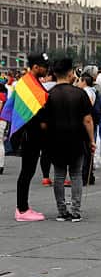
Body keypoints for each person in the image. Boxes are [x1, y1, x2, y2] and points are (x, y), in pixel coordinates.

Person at [41, 58, 94, 222]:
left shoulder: (48, 95)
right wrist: (91, 140)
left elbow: (43, 123)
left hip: (55, 140)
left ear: (55, 74)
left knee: (58, 175)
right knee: (76, 174)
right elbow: (87, 120)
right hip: (77, 139)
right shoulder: (80, 93)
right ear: (71, 73)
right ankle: (76, 211)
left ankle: (61, 211)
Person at [8, 52, 51, 221]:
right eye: (44, 67)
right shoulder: (27, 84)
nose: (47, 70)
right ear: (35, 67)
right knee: (27, 171)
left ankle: (23, 207)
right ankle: (22, 209)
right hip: (29, 135)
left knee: (29, 171)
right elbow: (35, 110)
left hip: (31, 135)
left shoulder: (32, 82)